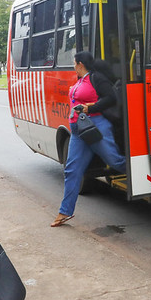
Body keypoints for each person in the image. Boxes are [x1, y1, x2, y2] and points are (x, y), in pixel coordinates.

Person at [52, 51, 125, 227]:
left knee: (115, 161)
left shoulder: (96, 78)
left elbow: (111, 98)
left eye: (74, 63)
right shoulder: (80, 80)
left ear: (80, 64)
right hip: (78, 131)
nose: (73, 66)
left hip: (96, 127)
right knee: (72, 170)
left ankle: (144, 177)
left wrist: (89, 109)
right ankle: (65, 212)